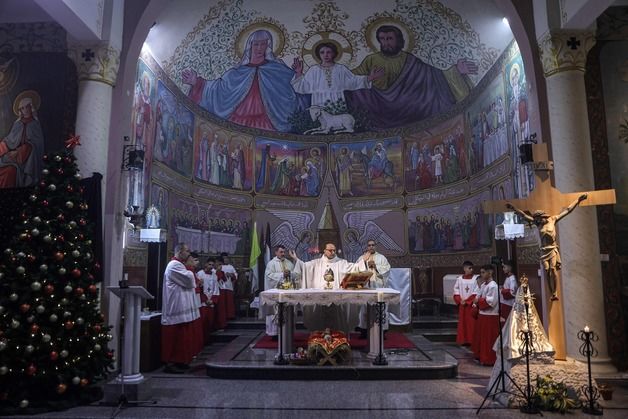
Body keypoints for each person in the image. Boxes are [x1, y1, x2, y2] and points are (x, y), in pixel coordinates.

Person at [345, 25, 477, 129]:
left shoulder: (409, 60)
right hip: (378, 105)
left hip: (407, 106)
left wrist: (456, 70)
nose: (386, 43)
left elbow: (433, 76)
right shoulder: (371, 59)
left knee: (426, 98)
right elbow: (351, 78)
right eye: (382, 39)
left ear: (398, 40)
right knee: (358, 94)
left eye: (390, 38)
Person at [182, 29, 298, 132]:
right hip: (239, 121)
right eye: (256, 44)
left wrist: (299, 75)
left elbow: (294, 88)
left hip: (269, 122)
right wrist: (197, 82)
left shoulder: (277, 68)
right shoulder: (236, 73)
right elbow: (218, 89)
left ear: (268, 46)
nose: (259, 48)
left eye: (263, 44)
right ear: (250, 46)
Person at [506, 194, 587, 300]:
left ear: (543, 216)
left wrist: (577, 200)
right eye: (537, 220)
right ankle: (551, 292)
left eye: (539, 219)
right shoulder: (538, 224)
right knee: (546, 269)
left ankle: (555, 292)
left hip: (552, 249)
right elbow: (524, 216)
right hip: (544, 251)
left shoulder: (553, 219)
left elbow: (567, 210)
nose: (538, 221)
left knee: (553, 269)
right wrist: (514, 208)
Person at [290, 243, 358, 332]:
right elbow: (304, 267)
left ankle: (337, 337)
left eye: (334, 250)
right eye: (330, 250)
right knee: (319, 321)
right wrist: (296, 259)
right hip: (320, 299)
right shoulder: (317, 263)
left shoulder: (341, 263)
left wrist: (363, 261)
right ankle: (319, 338)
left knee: (336, 321)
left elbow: (354, 268)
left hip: (336, 300)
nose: (333, 252)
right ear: (325, 251)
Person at [291, 42, 382, 108]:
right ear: (318, 54)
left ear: (334, 53)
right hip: (318, 100)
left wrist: (371, 77)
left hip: (337, 100)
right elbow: (303, 86)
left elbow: (353, 81)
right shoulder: (314, 70)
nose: (325, 55)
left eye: (329, 52)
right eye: (322, 52)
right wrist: (299, 72)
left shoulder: (340, 69)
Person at [160, 243, 201, 373]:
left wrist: (188, 268)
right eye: (187, 251)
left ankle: (181, 361)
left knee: (182, 338)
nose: (188, 254)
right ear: (180, 252)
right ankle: (171, 363)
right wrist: (190, 267)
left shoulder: (179, 265)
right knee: (175, 337)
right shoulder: (174, 265)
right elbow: (189, 280)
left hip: (181, 306)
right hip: (175, 307)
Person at [0, 91, 45, 188]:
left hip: (26, 162)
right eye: (21, 108)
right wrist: (2, 147)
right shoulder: (18, 124)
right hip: (11, 157)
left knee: (10, 171)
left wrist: (18, 152)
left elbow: (36, 144)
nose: (24, 110)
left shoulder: (35, 124)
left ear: (31, 107)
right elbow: (9, 140)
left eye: (26, 107)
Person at [354, 240, 391, 338]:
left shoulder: (382, 258)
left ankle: (381, 332)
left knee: (380, 309)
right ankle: (364, 331)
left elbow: (387, 270)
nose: (371, 247)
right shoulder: (362, 258)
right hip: (366, 287)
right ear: (367, 247)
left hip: (377, 287)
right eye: (369, 245)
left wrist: (376, 266)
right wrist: (364, 263)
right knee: (364, 309)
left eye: (373, 245)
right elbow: (356, 270)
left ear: (376, 246)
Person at [264, 245, 301, 338]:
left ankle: (288, 332)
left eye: (284, 252)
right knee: (276, 312)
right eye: (281, 252)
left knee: (289, 312)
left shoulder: (289, 263)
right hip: (277, 293)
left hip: (288, 293)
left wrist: (290, 274)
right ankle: (275, 334)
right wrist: (282, 275)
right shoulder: (271, 264)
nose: (283, 254)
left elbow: (296, 275)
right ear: (276, 252)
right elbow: (269, 276)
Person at [471, 264, 499, 366]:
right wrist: (476, 301)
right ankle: (480, 356)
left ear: (490, 272)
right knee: (481, 338)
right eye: (481, 272)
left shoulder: (493, 286)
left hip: (490, 316)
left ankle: (489, 359)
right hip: (482, 315)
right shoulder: (483, 285)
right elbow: (477, 296)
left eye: (483, 272)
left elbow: (490, 302)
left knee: (488, 339)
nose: (481, 274)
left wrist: (478, 301)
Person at [453, 261, 479, 346]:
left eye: (472, 268)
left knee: (471, 323)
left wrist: (467, 301)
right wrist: (460, 300)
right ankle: (463, 340)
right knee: (463, 323)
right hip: (462, 305)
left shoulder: (476, 279)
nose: (471, 270)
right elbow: (456, 290)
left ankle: (471, 340)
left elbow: (476, 291)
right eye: (469, 268)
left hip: (470, 305)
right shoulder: (459, 279)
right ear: (464, 268)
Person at [197, 258, 220, 341]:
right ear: (206, 264)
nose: (211, 266)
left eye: (213, 265)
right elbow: (198, 289)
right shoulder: (199, 274)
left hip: (211, 302)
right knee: (202, 322)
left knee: (209, 322)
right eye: (209, 264)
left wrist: (212, 300)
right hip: (203, 302)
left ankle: (207, 340)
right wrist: (205, 299)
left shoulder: (214, 275)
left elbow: (216, 289)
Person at [219, 253, 238, 319]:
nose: (226, 260)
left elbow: (235, 275)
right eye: (224, 258)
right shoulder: (219, 266)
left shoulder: (231, 267)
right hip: (221, 287)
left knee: (229, 302)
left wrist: (231, 275)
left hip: (229, 286)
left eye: (227, 258)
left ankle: (230, 315)